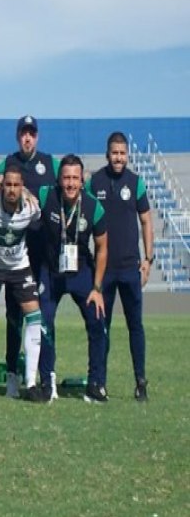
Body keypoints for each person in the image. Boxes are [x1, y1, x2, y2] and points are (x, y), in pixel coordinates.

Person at [0, 115, 58, 398]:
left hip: (42, 255)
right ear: (18, 136)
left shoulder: (50, 163)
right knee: (13, 317)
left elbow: (71, 186)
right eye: (23, 134)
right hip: (14, 254)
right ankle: (13, 376)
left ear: (37, 136)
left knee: (42, 317)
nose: (27, 138)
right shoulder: (9, 162)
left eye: (32, 133)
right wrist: (0, 183)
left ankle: (45, 376)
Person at [37, 154, 109, 403]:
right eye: (66, 178)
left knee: (97, 321)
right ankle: (47, 382)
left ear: (82, 180)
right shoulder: (46, 195)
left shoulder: (93, 207)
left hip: (82, 272)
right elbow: (22, 193)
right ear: (59, 179)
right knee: (44, 323)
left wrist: (97, 288)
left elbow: (102, 248)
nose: (70, 183)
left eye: (74, 178)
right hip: (50, 271)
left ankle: (96, 383)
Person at [87, 132, 152, 401]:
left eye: (122, 153)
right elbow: (83, 213)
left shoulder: (136, 183)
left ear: (128, 155)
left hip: (130, 269)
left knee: (135, 326)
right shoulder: (95, 182)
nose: (118, 158)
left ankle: (141, 382)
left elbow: (146, 221)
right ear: (107, 154)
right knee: (102, 327)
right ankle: (99, 383)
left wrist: (148, 260)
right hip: (104, 271)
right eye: (114, 153)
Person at [0, 166, 43, 402]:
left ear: (22, 187)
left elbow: (40, 213)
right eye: (8, 185)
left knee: (34, 317)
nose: (12, 189)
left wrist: (30, 194)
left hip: (19, 268)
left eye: (16, 185)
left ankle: (31, 383)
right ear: (2, 186)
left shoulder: (31, 208)